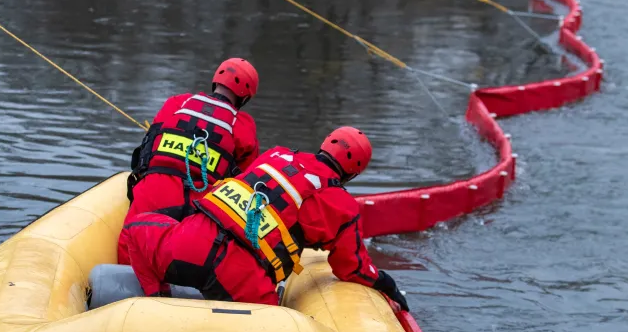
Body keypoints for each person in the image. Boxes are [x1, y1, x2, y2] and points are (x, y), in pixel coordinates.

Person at [117, 127, 410, 311]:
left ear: (324, 145)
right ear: (354, 173)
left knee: (134, 230)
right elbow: (352, 268)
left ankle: (155, 303)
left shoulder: (276, 155)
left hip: (190, 244)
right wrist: (385, 283)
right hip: (243, 281)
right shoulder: (342, 205)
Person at [124, 58, 261, 223]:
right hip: (196, 212)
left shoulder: (177, 103)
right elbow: (246, 181)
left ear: (216, 80)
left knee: (131, 240)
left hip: (149, 197)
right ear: (245, 97)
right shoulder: (242, 126)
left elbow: (147, 147)